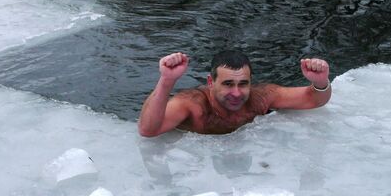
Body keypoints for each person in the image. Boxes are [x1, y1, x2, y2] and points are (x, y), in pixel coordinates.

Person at [138, 50, 331, 137]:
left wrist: (320, 81)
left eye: (243, 84)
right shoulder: (192, 104)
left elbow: (314, 99)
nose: (237, 93)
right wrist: (167, 80)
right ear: (211, 82)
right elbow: (148, 130)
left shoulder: (261, 97)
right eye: (228, 84)